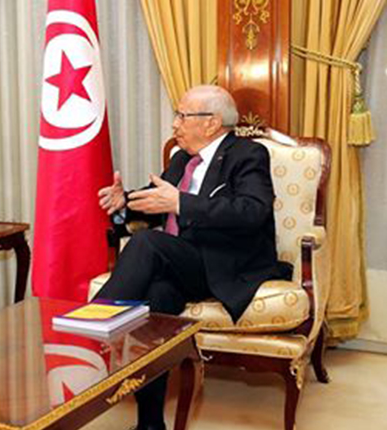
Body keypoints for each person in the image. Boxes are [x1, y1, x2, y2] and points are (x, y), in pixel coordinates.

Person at [96, 85, 290, 430]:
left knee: (146, 242)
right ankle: (150, 424)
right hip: (178, 266)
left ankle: (90, 332)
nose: (175, 124)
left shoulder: (247, 154)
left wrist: (181, 203)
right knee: (155, 304)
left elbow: (253, 210)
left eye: (182, 115)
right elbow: (155, 202)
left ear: (211, 122)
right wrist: (123, 203)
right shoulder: (181, 159)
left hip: (222, 264)